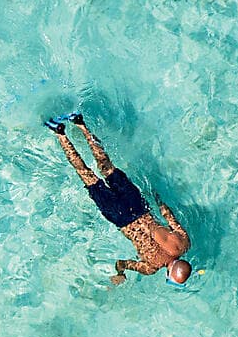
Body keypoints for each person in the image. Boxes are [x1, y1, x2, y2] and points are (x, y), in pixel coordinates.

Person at [45, 113, 192, 285]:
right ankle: (60, 133)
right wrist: (120, 273)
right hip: (121, 218)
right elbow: (121, 263)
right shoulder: (151, 268)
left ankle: (80, 124)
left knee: (106, 166)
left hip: (138, 206)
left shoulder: (184, 242)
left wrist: (157, 198)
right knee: (86, 175)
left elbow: (166, 212)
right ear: (169, 273)